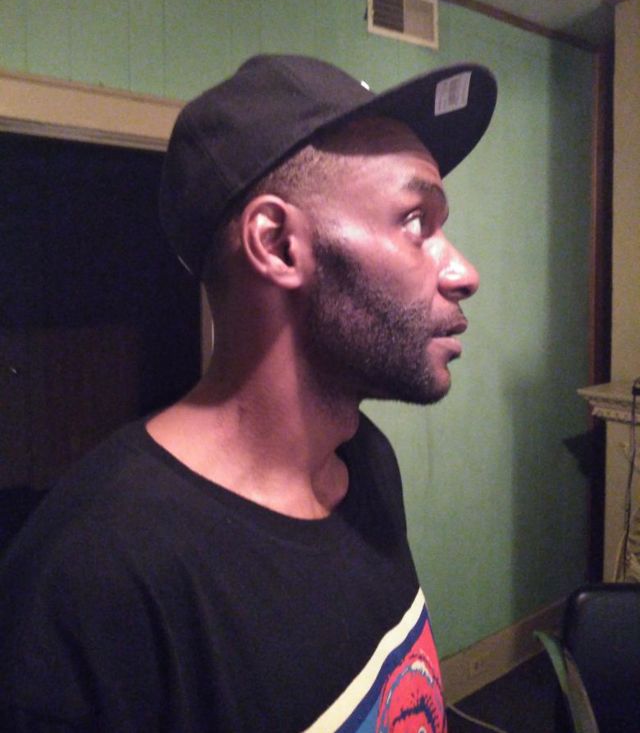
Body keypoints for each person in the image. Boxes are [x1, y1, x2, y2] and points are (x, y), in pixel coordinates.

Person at [0, 55, 497, 732]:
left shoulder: (365, 460)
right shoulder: (90, 577)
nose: (463, 271)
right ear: (279, 244)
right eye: (416, 222)